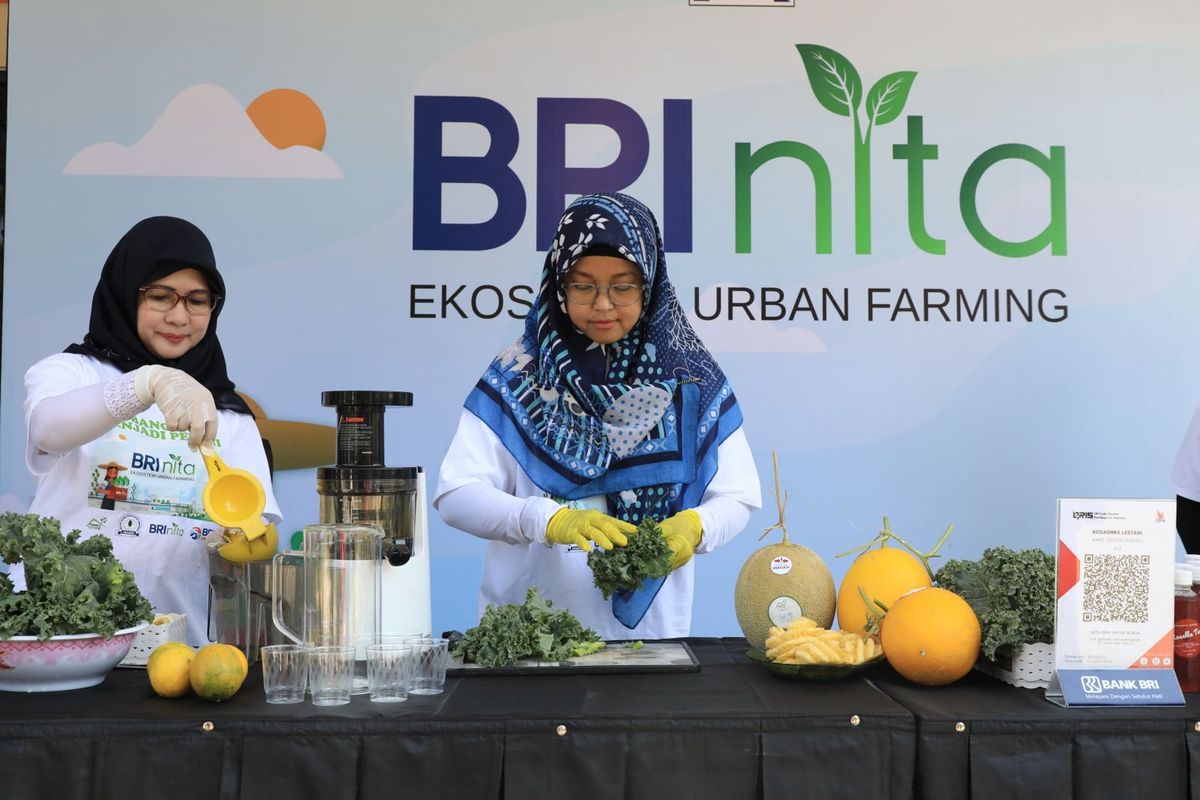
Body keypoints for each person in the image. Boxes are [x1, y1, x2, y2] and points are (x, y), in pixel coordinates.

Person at [435, 192, 761, 640]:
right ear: (558, 284)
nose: (603, 304)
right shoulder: (517, 377)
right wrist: (545, 520)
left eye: (623, 286)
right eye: (583, 286)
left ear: (650, 285)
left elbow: (737, 496)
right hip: (530, 642)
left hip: (651, 645)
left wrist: (696, 526)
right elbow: (456, 496)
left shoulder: (690, 382)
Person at [20, 216, 281, 646]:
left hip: (185, 656)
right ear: (125, 293)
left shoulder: (229, 416)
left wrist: (247, 539)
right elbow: (48, 431)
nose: (180, 316)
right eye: (161, 296)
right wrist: (143, 384)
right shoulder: (71, 372)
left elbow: (254, 526)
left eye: (198, 300)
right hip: (64, 647)